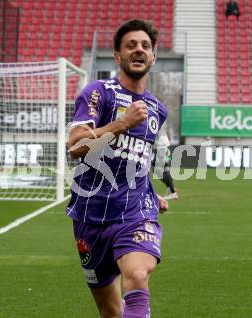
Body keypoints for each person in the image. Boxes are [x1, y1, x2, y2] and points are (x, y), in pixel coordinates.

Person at [66, 19, 168, 318]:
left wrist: (150, 192)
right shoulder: (99, 92)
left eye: (145, 46)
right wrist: (122, 123)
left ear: (153, 56)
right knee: (110, 311)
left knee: (137, 275)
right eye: (131, 45)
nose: (139, 50)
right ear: (117, 56)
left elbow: (140, 160)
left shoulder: (156, 109)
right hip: (90, 214)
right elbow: (75, 148)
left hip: (135, 212)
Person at [153, 127, 179, 200]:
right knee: (163, 170)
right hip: (163, 148)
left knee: (159, 170)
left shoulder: (156, 123)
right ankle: (172, 189)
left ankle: (173, 191)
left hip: (161, 148)